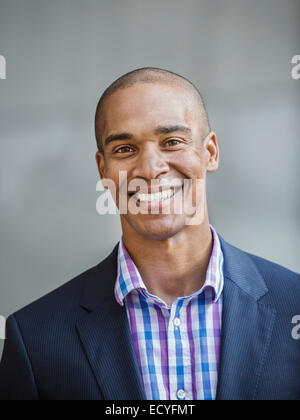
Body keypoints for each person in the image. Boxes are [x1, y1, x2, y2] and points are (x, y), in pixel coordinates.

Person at [0, 68, 299, 400]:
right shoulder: (36, 337)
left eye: (172, 142)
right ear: (103, 169)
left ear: (210, 152)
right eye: (125, 149)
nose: (150, 168)